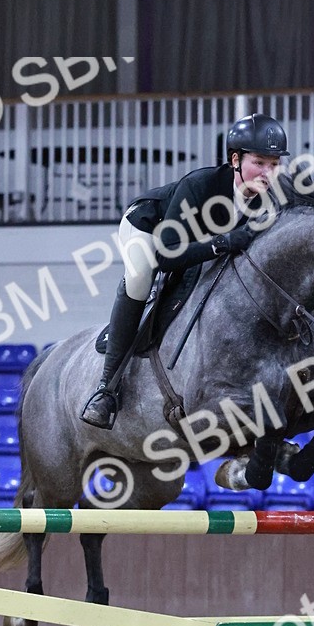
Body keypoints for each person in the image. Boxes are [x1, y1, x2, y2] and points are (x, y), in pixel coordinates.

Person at [81, 113, 289, 428]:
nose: (267, 172)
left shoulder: (269, 204)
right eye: (259, 163)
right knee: (140, 277)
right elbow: (166, 256)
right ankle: (106, 389)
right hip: (149, 228)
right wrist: (223, 242)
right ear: (235, 160)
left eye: (274, 164)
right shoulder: (202, 185)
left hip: (193, 245)